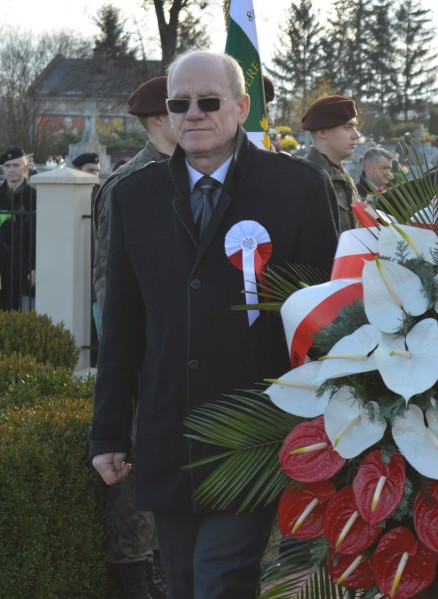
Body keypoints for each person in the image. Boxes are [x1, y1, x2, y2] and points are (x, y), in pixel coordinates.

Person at [90, 50, 339, 598]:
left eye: (209, 101)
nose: (193, 114)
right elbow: (122, 326)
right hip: (167, 432)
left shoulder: (297, 190)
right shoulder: (134, 196)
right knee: (183, 582)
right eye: (180, 103)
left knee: (220, 579)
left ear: (242, 107)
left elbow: (324, 322)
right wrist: (109, 430)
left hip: (253, 434)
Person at [91, 75, 176, 599]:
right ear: (158, 119)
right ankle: (132, 568)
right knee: (135, 461)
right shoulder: (129, 184)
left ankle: (164, 563)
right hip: (144, 352)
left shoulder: (189, 176)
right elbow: (109, 282)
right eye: (180, 107)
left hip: (181, 350)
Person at [302, 95, 360, 233]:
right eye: (348, 127)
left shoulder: (341, 174)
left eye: (355, 127)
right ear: (322, 131)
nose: (356, 135)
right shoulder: (306, 178)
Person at [0, 146, 36, 311]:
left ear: (26, 167)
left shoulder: (35, 197)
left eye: (16, 165)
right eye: (7, 166)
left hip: (24, 266)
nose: (12, 170)